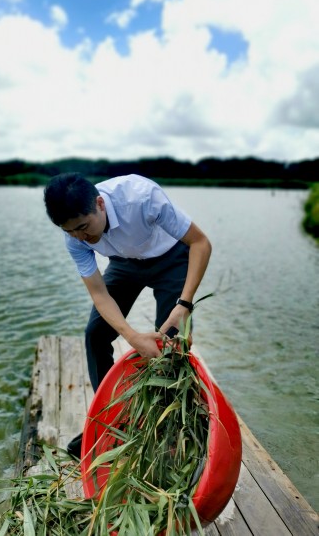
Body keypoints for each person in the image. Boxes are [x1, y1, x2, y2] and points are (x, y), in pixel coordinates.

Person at [43, 172, 212, 458]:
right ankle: (109, 418)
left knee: (171, 344)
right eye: (70, 231)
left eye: (83, 227)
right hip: (124, 264)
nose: (80, 237)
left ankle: (168, 429)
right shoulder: (74, 237)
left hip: (171, 258)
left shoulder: (141, 197)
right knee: (95, 334)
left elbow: (200, 243)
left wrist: (184, 304)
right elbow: (99, 294)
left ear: (99, 203)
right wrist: (132, 337)